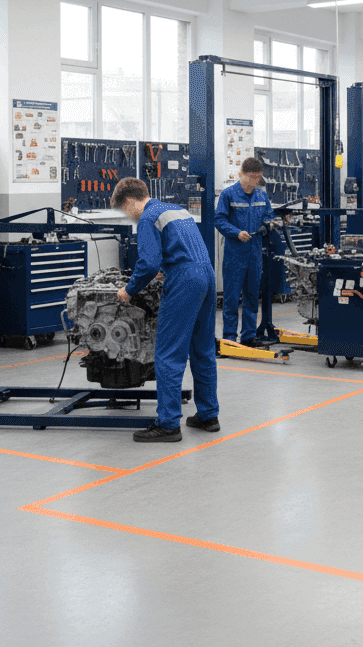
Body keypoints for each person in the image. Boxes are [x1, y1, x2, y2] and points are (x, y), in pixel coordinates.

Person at [112, 177, 218, 443]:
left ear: (132, 201)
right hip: (206, 275)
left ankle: (168, 424)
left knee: (169, 353)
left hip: (184, 281)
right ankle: (208, 415)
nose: (129, 216)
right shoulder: (177, 210)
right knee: (202, 349)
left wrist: (129, 290)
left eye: (126, 210)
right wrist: (167, 270)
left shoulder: (148, 218)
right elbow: (182, 250)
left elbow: (147, 263)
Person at [214, 157, 275, 346]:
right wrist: (236, 232)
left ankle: (248, 336)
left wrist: (269, 224)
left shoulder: (261, 195)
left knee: (251, 296)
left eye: (259, 177)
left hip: (255, 253)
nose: (256, 181)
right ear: (243, 174)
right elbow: (220, 220)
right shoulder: (228, 195)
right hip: (235, 253)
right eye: (253, 177)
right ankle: (230, 337)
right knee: (232, 297)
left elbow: (269, 214)